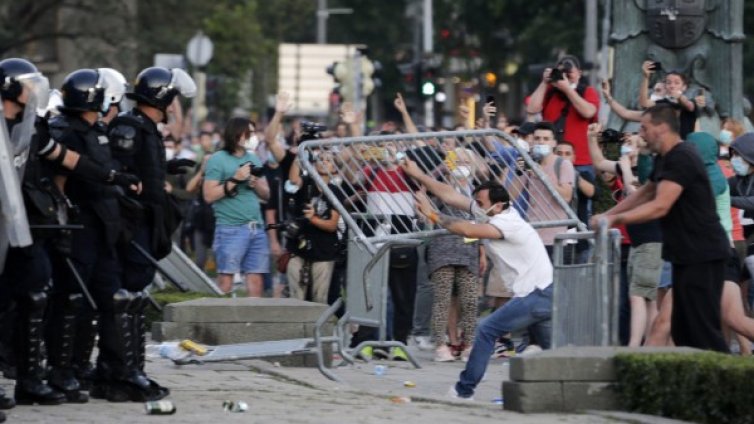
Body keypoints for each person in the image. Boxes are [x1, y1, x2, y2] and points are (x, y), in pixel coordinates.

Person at [402, 159, 553, 400]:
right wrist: (418, 173)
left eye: (481, 203)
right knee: (553, 350)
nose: (476, 207)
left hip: (535, 293)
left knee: (485, 330)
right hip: (541, 292)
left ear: (498, 205)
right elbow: (451, 195)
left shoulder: (507, 223)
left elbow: (469, 231)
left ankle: (463, 391)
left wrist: (432, 213)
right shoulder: (493, 211)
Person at [591, 105, 730, 352]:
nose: (640, 134)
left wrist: (614, 220)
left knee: (702, 331)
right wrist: (607, 214)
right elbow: (647, 192)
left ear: (662, 127)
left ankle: (729, 387)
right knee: (681, 329)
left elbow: (660, 206)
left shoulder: (682, 156)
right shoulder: (666, 158)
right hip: (686, 255)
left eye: (645, 127)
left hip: (703, 254)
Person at [105, 66, 196, 401]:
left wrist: (163, 170)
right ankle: (121, 373)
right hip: (132, 225)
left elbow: (137, 168)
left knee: (136, 297)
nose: (173, 105)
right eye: (171, 99)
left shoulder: (146, 128)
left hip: (146, 222)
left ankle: (132, 370)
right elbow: (115, 173)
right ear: (161, 98)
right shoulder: (129, 126)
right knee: (126, 298)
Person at [203, 117, 270, 296]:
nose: (253, 136)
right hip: (230, 227)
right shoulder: (217, 159)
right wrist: (235, 179)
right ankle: (220, 321)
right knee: (226, 278)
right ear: (236, 134)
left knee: (256, 277)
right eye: (249, 132)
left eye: (254, 133)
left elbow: (266, 194)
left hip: (256, 226)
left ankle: (253, 320)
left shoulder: (253, 158)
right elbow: (208, 195)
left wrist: (256, 184)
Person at [526, 55, 599, 174]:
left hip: (580, 162)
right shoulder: (549, 91)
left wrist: (568, 89)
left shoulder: (587, 91)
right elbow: (531, 109)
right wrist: (544, 82)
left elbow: (588, 112)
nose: (565, 76)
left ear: (579, 73)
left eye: (569, 73)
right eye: (561, 73)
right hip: (550, 159)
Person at [284, 150, 340, 303]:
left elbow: (332, 225)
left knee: (319, 300)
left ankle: (317, 327)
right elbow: (293, 179)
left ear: (334, 169)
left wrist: (313, 219)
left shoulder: (335, 192)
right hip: (299, 249)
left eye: (328, 160)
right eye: (320, 158)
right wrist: (300, 151)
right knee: (296, 299)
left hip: (323, 251)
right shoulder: (306, 182)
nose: (323, 161)